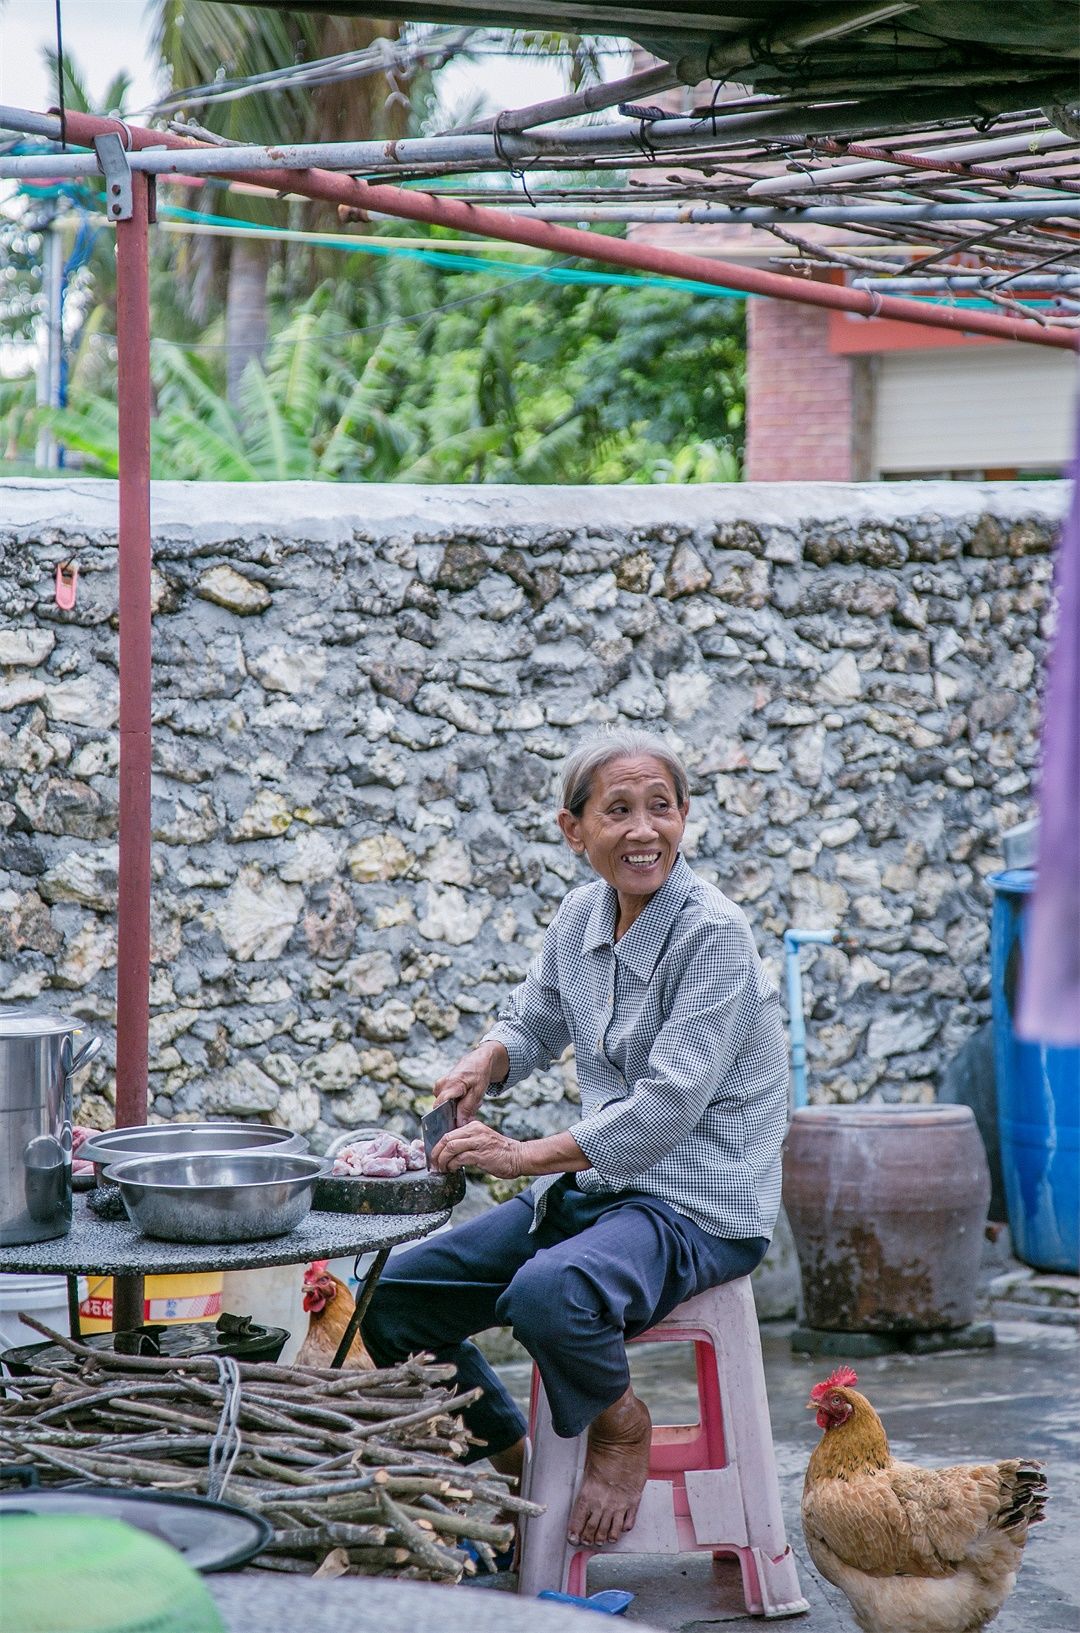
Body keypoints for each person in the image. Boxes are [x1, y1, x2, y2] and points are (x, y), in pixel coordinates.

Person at [362, 729, 788, 1550]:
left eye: (660, 808)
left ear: (684, 817)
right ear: (573, 830)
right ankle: (517, 1464)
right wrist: (489, 1058)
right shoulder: (582, 915)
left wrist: (522, 1157)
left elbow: (665, 1106)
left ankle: (621, 1424)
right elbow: (537, 1019)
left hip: (697, 1203)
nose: (643, 830)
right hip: (601, 1191)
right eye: (618, 810)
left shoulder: (713, 935)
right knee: (391, 1297)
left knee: (548, 1294)